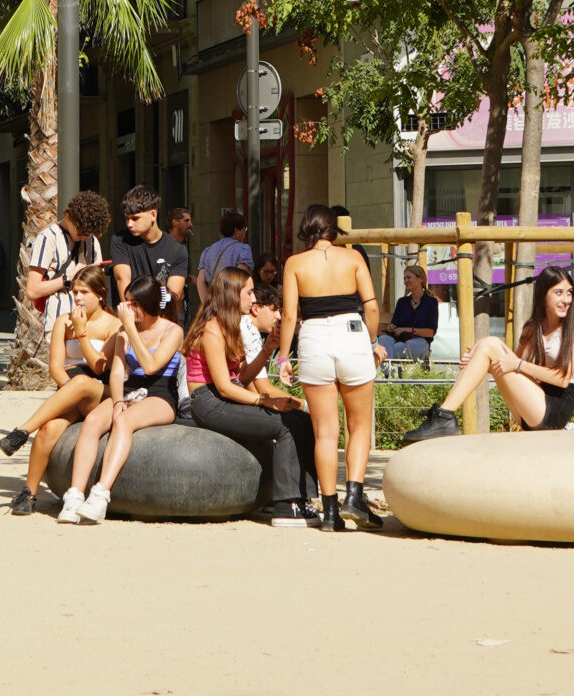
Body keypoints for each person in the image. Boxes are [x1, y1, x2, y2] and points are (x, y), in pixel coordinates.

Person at [275, 203, 385, 532]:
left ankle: (330, 512)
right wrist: (372, 340)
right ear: (333, 229)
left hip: (313, 338)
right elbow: (372, 306)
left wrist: (283, 357)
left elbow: (291, 316)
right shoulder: (352, 258)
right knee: (360, 425)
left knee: (325, 431)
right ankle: (353, 494)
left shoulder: (294, 263)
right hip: (351, 333)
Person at [185, 266, 317, 527]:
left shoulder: (230, 325)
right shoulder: (212, 330)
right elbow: (223, 386)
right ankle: (284, 506)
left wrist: (267, 350)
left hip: (223, 398)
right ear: (233, 295)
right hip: (208, 401)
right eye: (249, 292)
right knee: (285, 424)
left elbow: (241, 379)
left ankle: (304, 498)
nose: (254, 299)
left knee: (301, 419)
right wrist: (265, 401)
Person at [57, 277, 184, 524]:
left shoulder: (173, 331)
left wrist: (131, 330)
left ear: (148, 304)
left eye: (133, 303)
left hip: (160, 393)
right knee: (93, 420)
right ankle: (74, 495)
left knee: (124, 422)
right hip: (130, 388)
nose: (126, 308)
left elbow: (150, 366)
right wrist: (116, 403)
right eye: (126, 302)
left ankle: (101, 494)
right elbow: (117, 372)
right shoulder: (124, 331)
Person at [2, 188, 111, 456]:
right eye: (81, 232)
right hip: (61, 320)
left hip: (92, 320)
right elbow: (32, 291)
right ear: (68, 217)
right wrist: (66, 280)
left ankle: (26, 433)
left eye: (89, 233)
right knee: (65, 379)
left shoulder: (92, 242)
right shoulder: (47, 238)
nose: (84, 237)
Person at [5, 270, 123, 514]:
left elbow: (99, 366)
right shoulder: (62, 322)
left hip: (98, 391)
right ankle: (29, 492)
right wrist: (66, 391)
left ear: (101, 294)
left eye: (84, 293)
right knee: (48, 430)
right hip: (70, 390)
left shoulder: (114, 325)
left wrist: (81, 333)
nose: (78, 298)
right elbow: (56, 367)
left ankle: (22, 430)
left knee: (81, 382)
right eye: (75, 292)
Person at [419, 267, 574, 434]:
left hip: (555, 410)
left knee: (491, 344)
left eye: (569, 292)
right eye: (559, 293)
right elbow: (509, 365)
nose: (566, 299)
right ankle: (443, 414)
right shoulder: (533, 327)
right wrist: (479, 361)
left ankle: (443, 416)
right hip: (532, 406)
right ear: (543, 295)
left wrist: (518, 364)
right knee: (486, 345)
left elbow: (563, 379)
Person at [110, 184, 188, 321]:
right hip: (131, 318)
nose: (129, 224)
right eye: (127, 218)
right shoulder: (120, 240)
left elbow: (173, 296)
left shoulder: (177, 250)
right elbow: (122, 279)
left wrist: (156, 327)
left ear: (153, 215)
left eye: (135, 218)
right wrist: (131, 318)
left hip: (162, 322)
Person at [376, 264, 440, 363]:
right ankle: (387, 373)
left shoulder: (431, 302)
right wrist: (391, 327)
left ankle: (388, 370)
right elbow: (395, 324)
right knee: (384, 340)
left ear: (420, 279)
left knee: (407, 346)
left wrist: (409, 329)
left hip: (419, 341)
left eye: (409, 277)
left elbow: (430, 332)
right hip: (399, 340)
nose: (406, 281)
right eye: (404, 278)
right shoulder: (402, 302)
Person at [196, 211, 254, 299]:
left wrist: (206, 306)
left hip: (213, 302)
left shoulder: (207, 251)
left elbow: (201, 281)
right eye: (244, 229)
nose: (245, 233)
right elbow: (241, 279)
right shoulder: (243, 249)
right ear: (236, 230)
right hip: (231, 302)